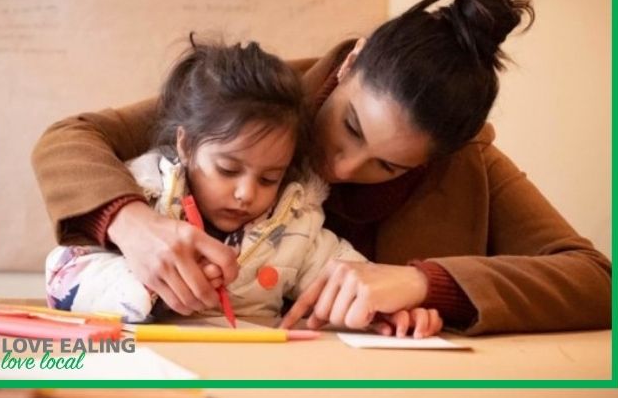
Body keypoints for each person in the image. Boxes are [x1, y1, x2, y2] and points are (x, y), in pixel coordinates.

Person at [32, 0, 612, 336]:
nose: (339, 169)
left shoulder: (471, 164)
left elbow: (593, 281)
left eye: (389, 165)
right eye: (350, 125)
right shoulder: (257, 100)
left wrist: (422, 284)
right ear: (353, 61)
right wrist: (136, 225)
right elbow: (72, 137)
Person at [42, 38, 443, 337]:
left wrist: (387, 311)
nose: (247, 194)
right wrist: (143, 287)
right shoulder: (144, 190)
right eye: (228, 170)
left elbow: (349, 280)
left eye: (270, 178)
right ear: (185, 143)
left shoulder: (297, 224)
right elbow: (63, 273)